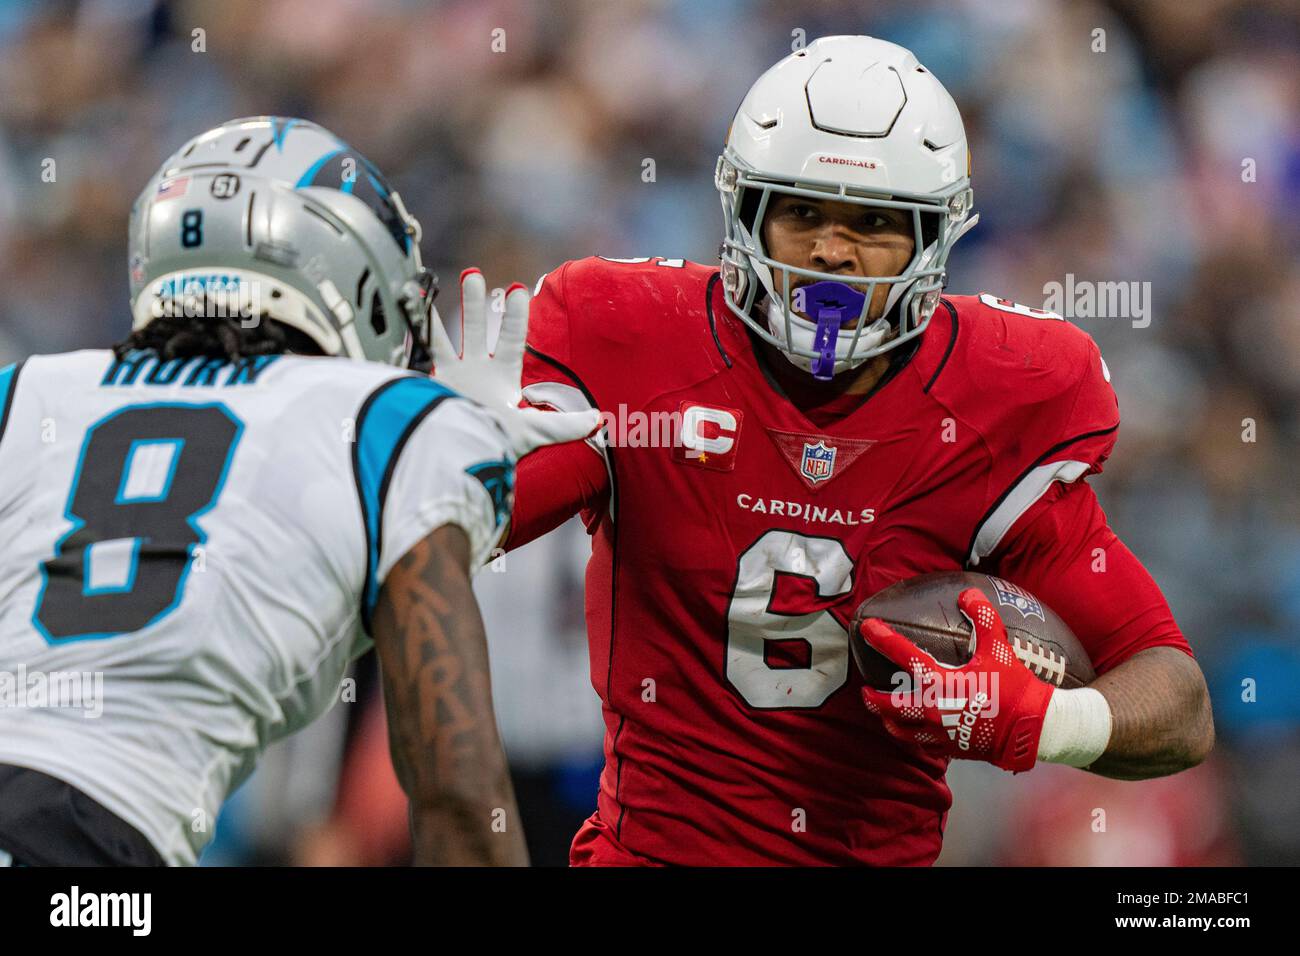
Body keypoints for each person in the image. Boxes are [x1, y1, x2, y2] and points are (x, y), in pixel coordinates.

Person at [479, 36, 1214, 865]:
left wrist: (1049, 721)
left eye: (872, 222)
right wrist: (455, 463)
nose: (833, 250)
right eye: (802, 213)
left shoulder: (996, 404)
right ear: (747, 215)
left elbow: (1179, 705)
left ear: (933, 242)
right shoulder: (636, 346)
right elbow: (461, 529)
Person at [0, 116, 597, 866]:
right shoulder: (394, 424)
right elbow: (457, 798)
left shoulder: (22, 392)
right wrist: (454, 461)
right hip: (89, 851)